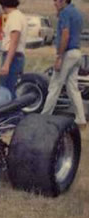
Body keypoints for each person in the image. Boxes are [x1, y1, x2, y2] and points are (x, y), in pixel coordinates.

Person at [41, 0, 87, 130]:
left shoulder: (65, 13)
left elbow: (65, 36)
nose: (54, 3)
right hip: (77, 53)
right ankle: (81, 120)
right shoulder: (76, 12)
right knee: (72, 88)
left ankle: (44, 117)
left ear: (62, 1)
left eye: (56, 1)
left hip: (67, 53)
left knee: (55, 85)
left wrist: (59, 57)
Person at [0, 0, 27, 99]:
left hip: (12, 57)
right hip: (16, 56)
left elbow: (14, 40)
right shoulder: (19, 16)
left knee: (7, 92)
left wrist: (6, 64)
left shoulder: (14, 17)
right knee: (13, 90)